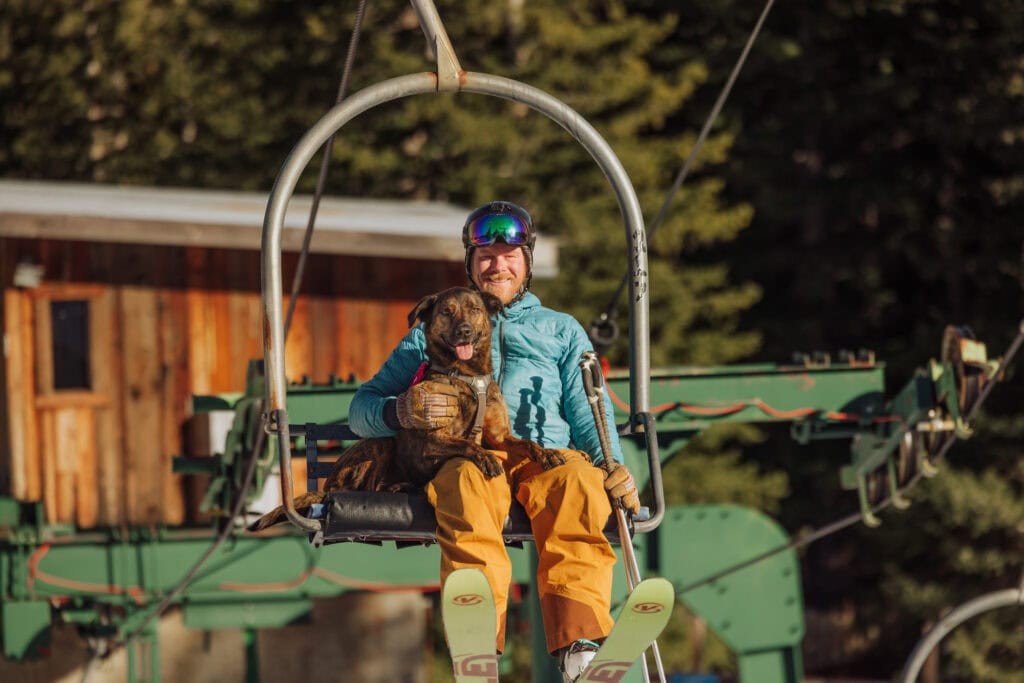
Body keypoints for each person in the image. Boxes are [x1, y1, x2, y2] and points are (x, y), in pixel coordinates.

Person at [348, 200, 640, 682]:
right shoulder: (434, 328)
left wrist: (613, 466)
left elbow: (590, 409)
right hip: (466, 454)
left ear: (526, 262)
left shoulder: (559, 330)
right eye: (486, 256)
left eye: (509, 255)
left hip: (540, 455)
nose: (497, 264)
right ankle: (479, 643)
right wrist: (396, 411)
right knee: (465, 485)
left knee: (579, 485)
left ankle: (580, 646)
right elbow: (361, 411)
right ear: (471, 264)